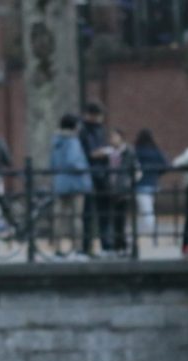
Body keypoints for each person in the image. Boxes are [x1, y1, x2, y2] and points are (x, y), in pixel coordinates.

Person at [49, 114, 92, 257]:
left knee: (59, 217)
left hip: (60, 182)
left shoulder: (56, 141)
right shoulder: (73, 141)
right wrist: (85, 167)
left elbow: (53, 163)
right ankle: (77, 248)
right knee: (76, 217)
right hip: (75, 183)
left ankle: (57, 248)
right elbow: (73, 161)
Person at [78, 102, 111, 256]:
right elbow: (89, 153)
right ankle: (88, 246)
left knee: (103, 211)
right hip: (91, 174)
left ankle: (106, 244)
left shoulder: (99, 130)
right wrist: (103, 153)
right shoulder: (84, 131)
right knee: (89, 213)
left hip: (101, 174)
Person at [106, 128, 136, 255]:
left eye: (115, 137)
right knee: (115, 219)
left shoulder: (127, 151)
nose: (112, 139)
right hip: (112, 187)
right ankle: (117, 245)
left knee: (122, 219)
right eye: (111, 137)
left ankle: (122, 246)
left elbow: (128, 168)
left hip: (123, 188)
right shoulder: (110, 152)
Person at [133, 129, 168, 237]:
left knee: (145, 210)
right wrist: (157, 173)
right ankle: (146, 232)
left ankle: (146, 232)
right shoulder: (155, 151)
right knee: (147, 209)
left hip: (139, 184)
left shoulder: (137, 151)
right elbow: (165, 165)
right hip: (153, 183)